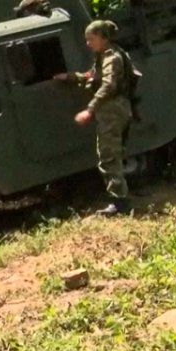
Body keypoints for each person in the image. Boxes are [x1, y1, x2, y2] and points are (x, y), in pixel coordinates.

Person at [53, 20, 136, 216]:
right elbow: (92, 76)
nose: (88, 43)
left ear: (103, 38)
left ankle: (120, 203)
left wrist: (89, 110)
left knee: (108, 155)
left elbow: (108, 85)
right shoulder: (103, 56)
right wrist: (72, 77)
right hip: (113, 109)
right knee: (111, 153)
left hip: (112, 109)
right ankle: (120, 198)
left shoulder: (111, 57)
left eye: (91, 39)